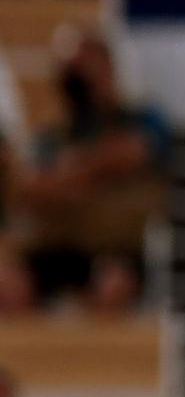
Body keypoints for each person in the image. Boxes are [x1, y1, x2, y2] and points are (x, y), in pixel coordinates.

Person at [11, 29, 169, 312]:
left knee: (112, 284)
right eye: (70, 68)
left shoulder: (142, 118)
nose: (77, 77)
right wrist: (97, 175)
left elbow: (134, 152)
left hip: (115, 249)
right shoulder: (51, 136)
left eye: (85, 66)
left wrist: (71, 174)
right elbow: (31, 186)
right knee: (10, 284)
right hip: (56, 249)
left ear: (108, 67)